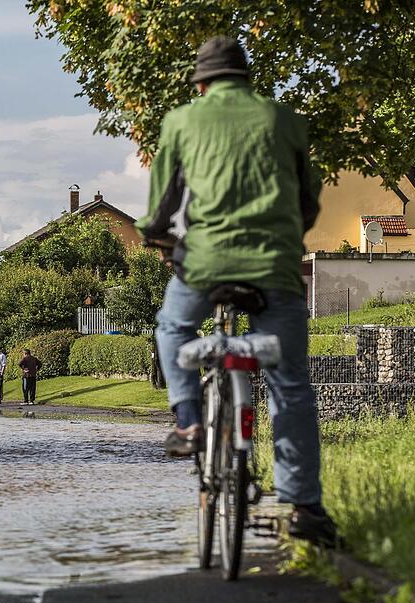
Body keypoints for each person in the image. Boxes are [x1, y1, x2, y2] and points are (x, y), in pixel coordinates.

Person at [135, 36, 335, 546]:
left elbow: (160, 210)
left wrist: (158, 238)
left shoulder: (182, 121)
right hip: (275, 265)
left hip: (204, 263)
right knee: (290, 382)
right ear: (246, 79)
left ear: (200, 84)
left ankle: (187, 422)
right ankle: (306, 509)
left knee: (173, 325)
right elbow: (309, 201)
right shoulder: (283, 118)